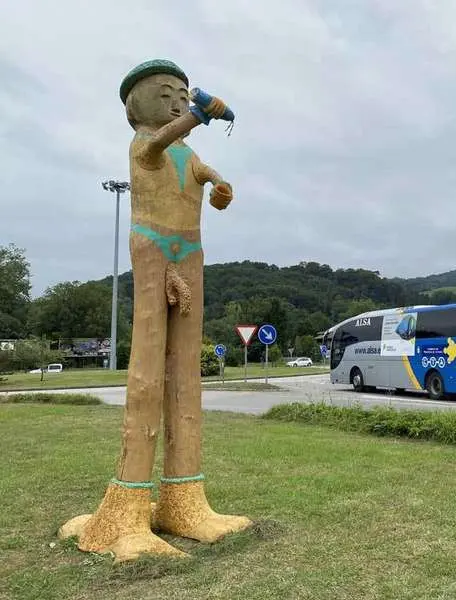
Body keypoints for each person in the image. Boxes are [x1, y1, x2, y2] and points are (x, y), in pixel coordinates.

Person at [59, 59, 251, 561]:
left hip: (191, 251)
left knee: (186, 369)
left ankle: (185, 498)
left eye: (183, 93)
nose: (176, 99)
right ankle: (128, 505)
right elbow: (156, 147)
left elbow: (209, 181)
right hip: (152, 246)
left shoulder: (190, 154)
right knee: (147, 367)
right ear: (135, 105)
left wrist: (220, 187)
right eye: (164, 92)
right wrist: (200, 115)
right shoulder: (144, 144)